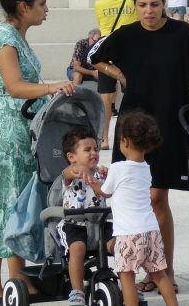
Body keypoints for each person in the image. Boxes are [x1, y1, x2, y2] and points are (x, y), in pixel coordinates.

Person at [89, 0, 189, 294]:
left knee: (157, 197)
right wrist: (119, 74)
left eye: (155, 4)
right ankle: (140, 268)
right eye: (142, 5)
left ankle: (164, 271)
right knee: (129, 200)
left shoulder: (181, 32)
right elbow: (93, 56)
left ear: (164, 4)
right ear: (135, 5)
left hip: (169, 123)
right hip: (133, 127)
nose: (149, 11)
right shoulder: (125, 34)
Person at [0, 0, 76, 306]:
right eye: (42, 4)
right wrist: (52, 87)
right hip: (7, 130)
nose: (46, 10)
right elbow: (15, 87)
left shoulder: (16, 36)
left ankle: (16, 279)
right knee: (2, 205)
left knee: (18, 204)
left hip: (23, 129)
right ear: (23, 7)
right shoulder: (3, 39)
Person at [87, 111, 179, 306]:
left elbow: (105, 192)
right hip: (151, 231)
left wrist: (93, 182)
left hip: (128, 235)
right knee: (159, 275)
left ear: (125, 141)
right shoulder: (146, 168)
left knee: (126, 278)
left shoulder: (118, 168)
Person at [58, 127, 113, 306]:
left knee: (120, 243)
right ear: (72, 157)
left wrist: (107, 177)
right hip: (74, 224)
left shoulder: (100, 173)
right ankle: (77, 292)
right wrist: (74, 170)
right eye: (87, 150)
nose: (94, 153)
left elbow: (109, 192)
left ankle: (127, 282)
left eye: (95, 149)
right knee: (78, 249)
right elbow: (66, 174)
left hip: (100, 223)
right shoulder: (71, 174)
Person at [92, 0, 137, 149]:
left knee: (106, 97)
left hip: (107, 50)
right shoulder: (132, 2)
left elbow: (102, 26)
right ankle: (128, 137)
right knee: (131, 95)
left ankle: (104, 138)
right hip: (128, 48)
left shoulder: (99, 4)